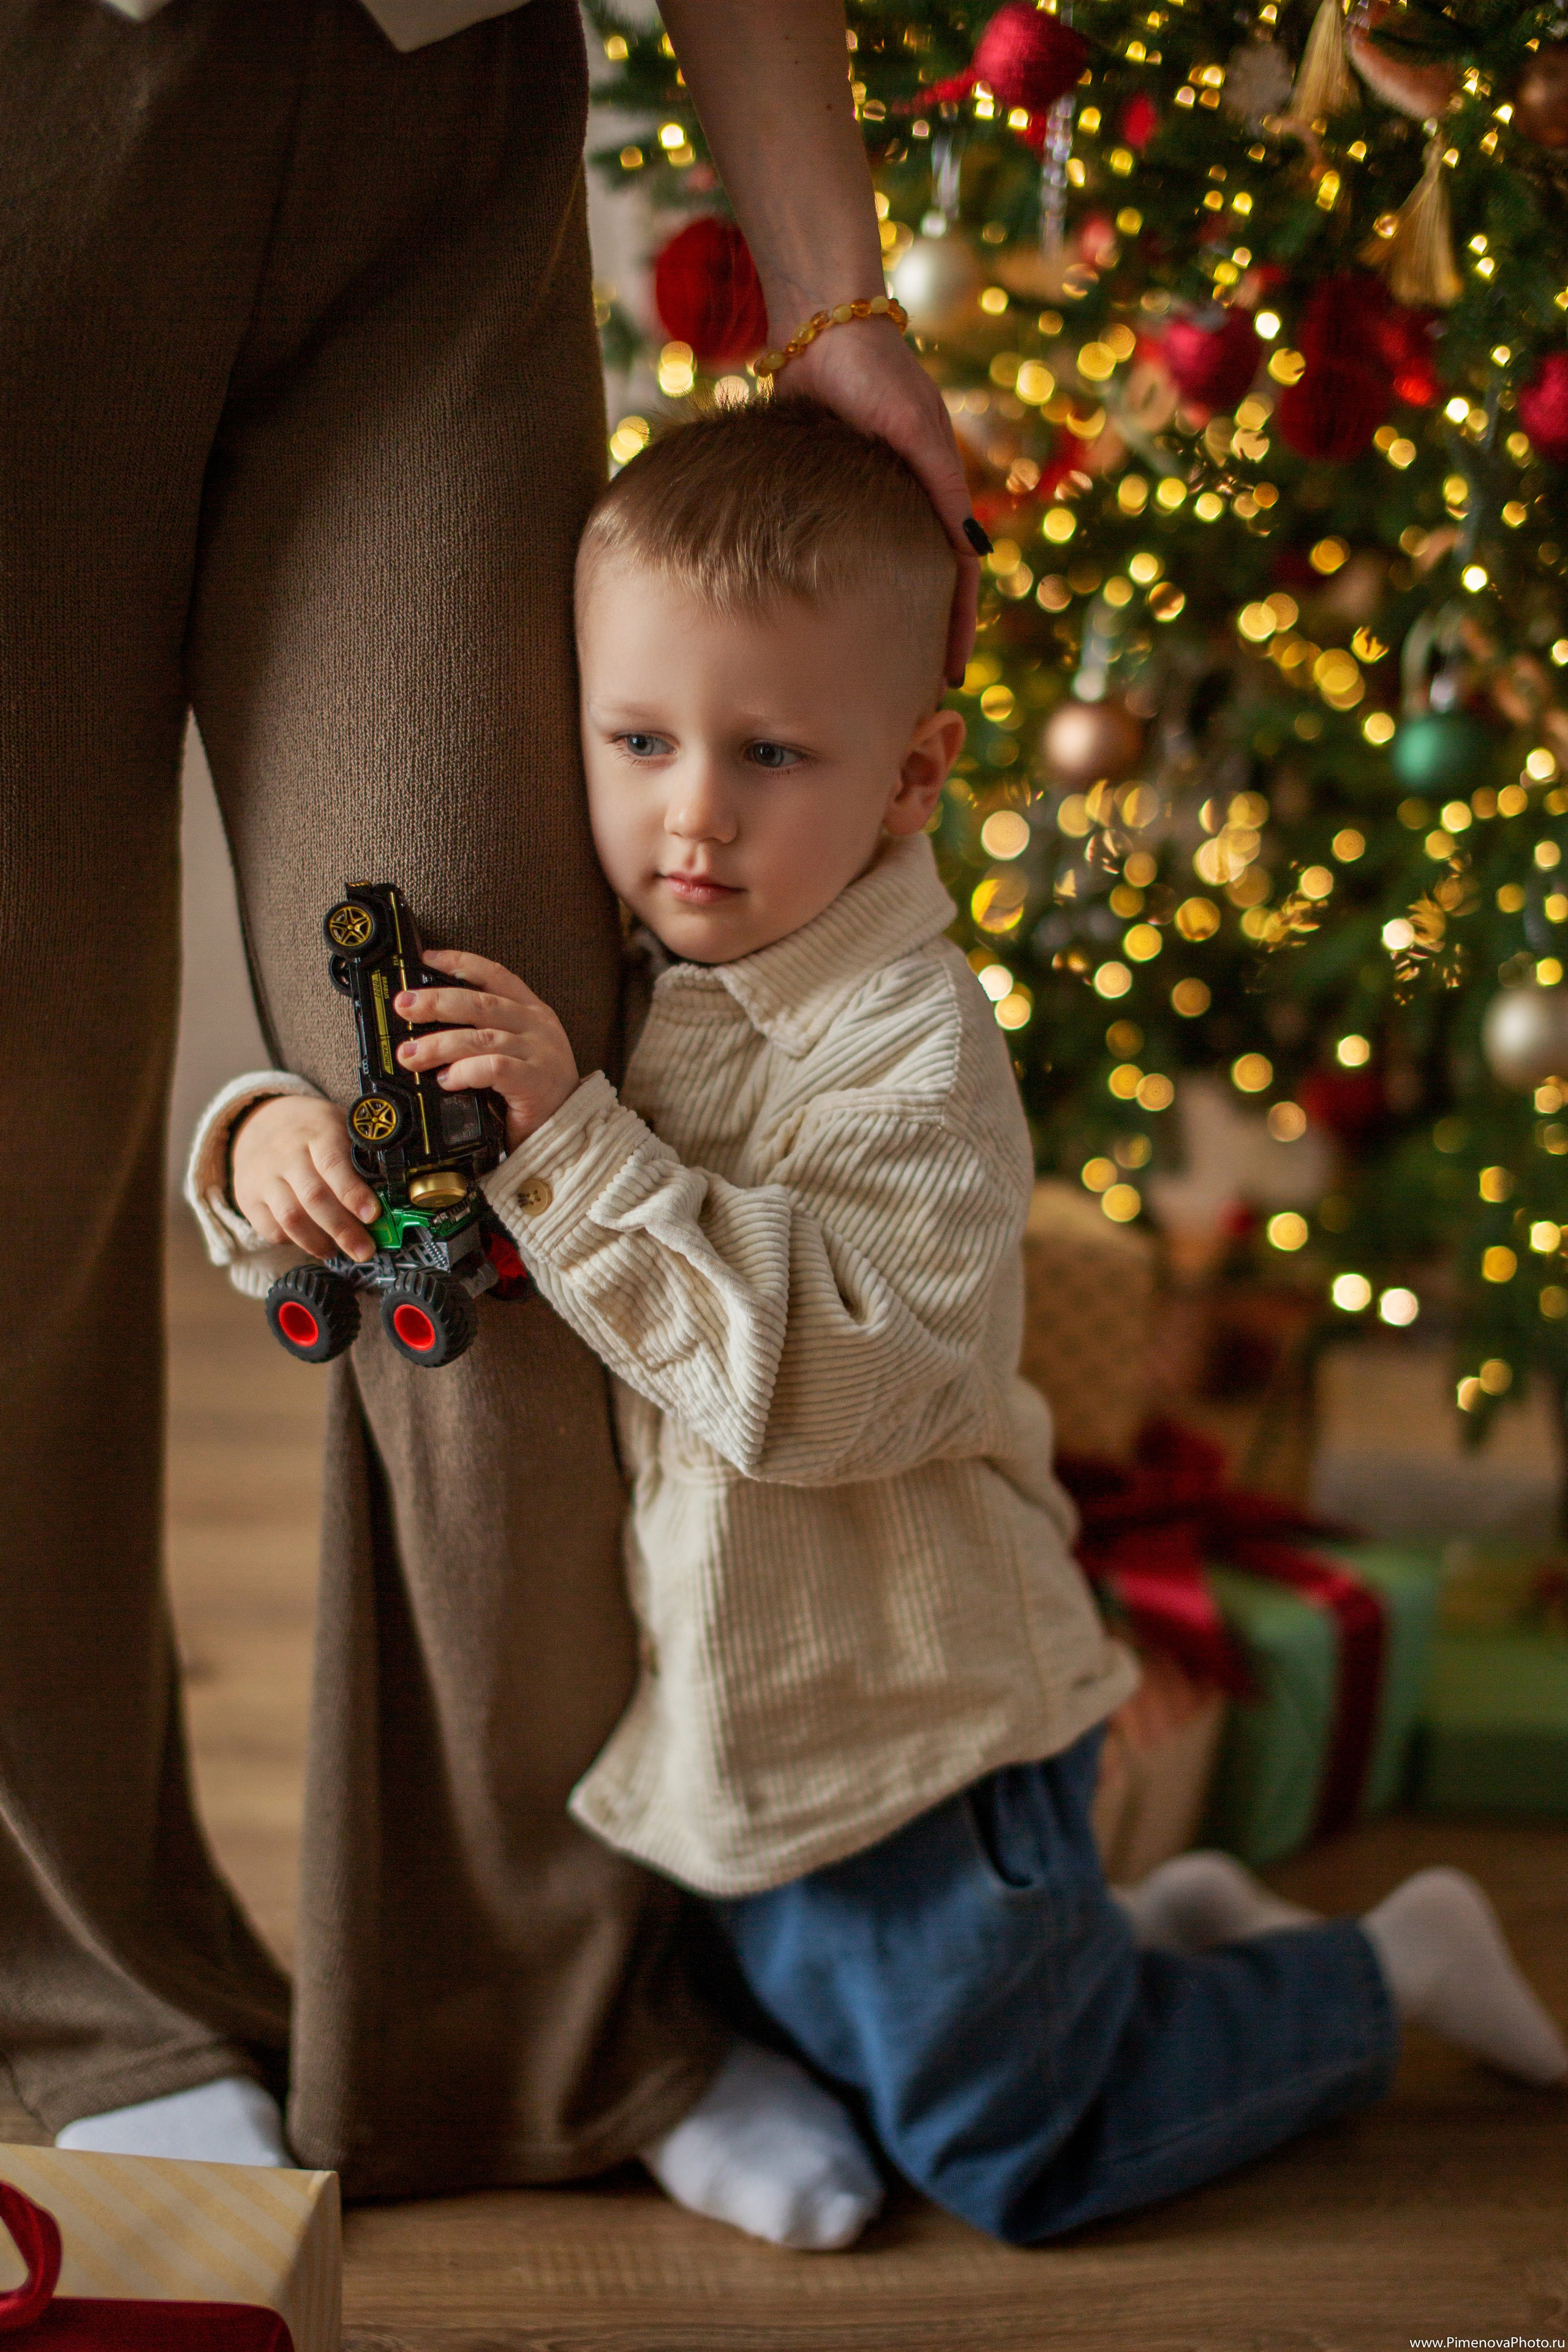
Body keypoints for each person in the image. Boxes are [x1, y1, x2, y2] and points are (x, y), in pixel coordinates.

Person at [195, 396, 1567, 2248]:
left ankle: (1373, 1979)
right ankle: (1136, 1950)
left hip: (920, 1733)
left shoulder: (913, 1052)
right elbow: (418, 1211)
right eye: (639, 741)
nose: (692, 814)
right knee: (809, 1997)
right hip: (734, 1725)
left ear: (913, 778)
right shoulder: (635, 965)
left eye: (769, 751)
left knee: (1018, 2149)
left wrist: (574, 1149)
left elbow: (824, 1392)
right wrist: (265, 1145)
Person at [0, 0, 979, 2209]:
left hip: (434, 135)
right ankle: (82, 1990)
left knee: (489, 1107)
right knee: (8, 1134)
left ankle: (541, 2034)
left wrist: (831, 298)